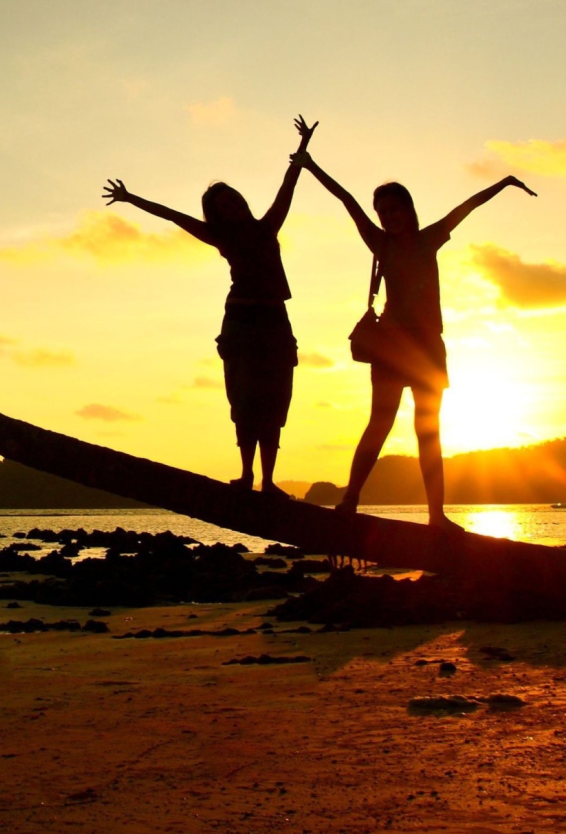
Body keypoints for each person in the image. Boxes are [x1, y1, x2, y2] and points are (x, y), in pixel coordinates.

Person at [292, 119, 535, 529]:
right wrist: (309, 164)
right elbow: (347, 200)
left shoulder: (430, 237)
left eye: (394, 209)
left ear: (409, 208)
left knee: (428, 431)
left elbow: (468, 207)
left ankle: (436, 515)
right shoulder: (380, 242)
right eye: (382, 212)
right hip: (391, 344)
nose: (388, 217)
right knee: (379, 425)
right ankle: (349, 501)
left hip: (427, 347)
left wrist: (505, 182)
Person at [102, 117, 314, 493]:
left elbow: (288, 186)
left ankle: (267, 480)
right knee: (244, 397)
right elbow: (171, 215)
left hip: (275, 319)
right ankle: (247, 475)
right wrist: (131, 198)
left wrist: (302, 148)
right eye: (222, 205)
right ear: (215, 213)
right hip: (242, 321)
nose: (231, 206)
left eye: (232, 199)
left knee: (275, 397)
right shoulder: (218, 235)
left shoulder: (267, 227)